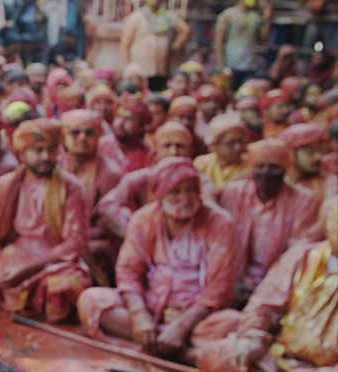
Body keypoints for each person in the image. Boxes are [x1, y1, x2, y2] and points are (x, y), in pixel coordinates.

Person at [77, 158, 239, 358]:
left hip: (197, 318)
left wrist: (182, 326)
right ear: (160, 194)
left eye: (191, 190)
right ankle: (184, 354)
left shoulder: (220, 223)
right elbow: (128, 272)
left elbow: (218, 288)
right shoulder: (144, 218)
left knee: (232, 322)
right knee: (90, 300)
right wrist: (139, 316)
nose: (186, 198)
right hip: (150, 306)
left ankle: (163, 345)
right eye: (176, 192)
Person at [197, 197, 338, 372]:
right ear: (327, 222)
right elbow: (263, 305)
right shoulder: (302, 257)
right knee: (223, 355)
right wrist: (252, 338)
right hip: (280, 360)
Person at [0, 119, 90, 321]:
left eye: (51, 150)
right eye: (38, 150)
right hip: (11, 257)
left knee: (68, 283)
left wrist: (27, 270)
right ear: (22, 153)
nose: (46, 156)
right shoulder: (8, 183)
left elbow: (74, 244)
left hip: (50, 263)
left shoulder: (72, 188)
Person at [219, 139, 320, 306]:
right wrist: (232, 282)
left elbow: (297, 251)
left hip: (281, 283)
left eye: (274, 167)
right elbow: (222, 244)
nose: (266, 172)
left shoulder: (304, 200)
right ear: (251, 169)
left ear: (285, 169)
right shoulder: (233, 194)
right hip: (235, 281)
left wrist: (266, 287)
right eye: (260, 166)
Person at [97, 122, 201, 240]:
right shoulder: (138, 179)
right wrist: (135, 231)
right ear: (155, 151)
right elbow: (107, 205)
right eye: (167, 146)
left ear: (191, 152)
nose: (174, 152)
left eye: (180, 146)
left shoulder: (200, 182)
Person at [59, 109, 124, 286]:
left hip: (95, 238)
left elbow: (110, 222)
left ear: (98, 137)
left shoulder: (109, 173)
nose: (82, 138)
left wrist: (76, 238)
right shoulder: (58, 164)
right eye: (75, 132)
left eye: (89, 133)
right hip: (61, 235)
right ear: (64, 136)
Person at [120, 0, 190, 84]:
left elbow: (185, 30)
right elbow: (125, 44)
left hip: (163, 68)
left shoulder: (168, 16)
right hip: (142, 68)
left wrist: (176, 46)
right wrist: (127, 67)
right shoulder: (136, 17)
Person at [214, 0, 272, 88]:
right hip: (230, 66)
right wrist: (221, 66)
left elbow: (263, 38)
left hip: (250, 67)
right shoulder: (228, 14)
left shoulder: (254, 17)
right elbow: (218, 42)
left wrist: (267, 20)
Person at [280, 123, 337, 204]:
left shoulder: (331, 183)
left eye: (320, 151)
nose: (318, 157)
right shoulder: (279, 185)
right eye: (310, 152)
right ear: (291, 155)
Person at [194, 113, 250, 194]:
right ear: (214, 146)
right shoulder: (201, 163)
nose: (238, 148)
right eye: (231, 143)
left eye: (241, 141)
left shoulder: (250, 166)